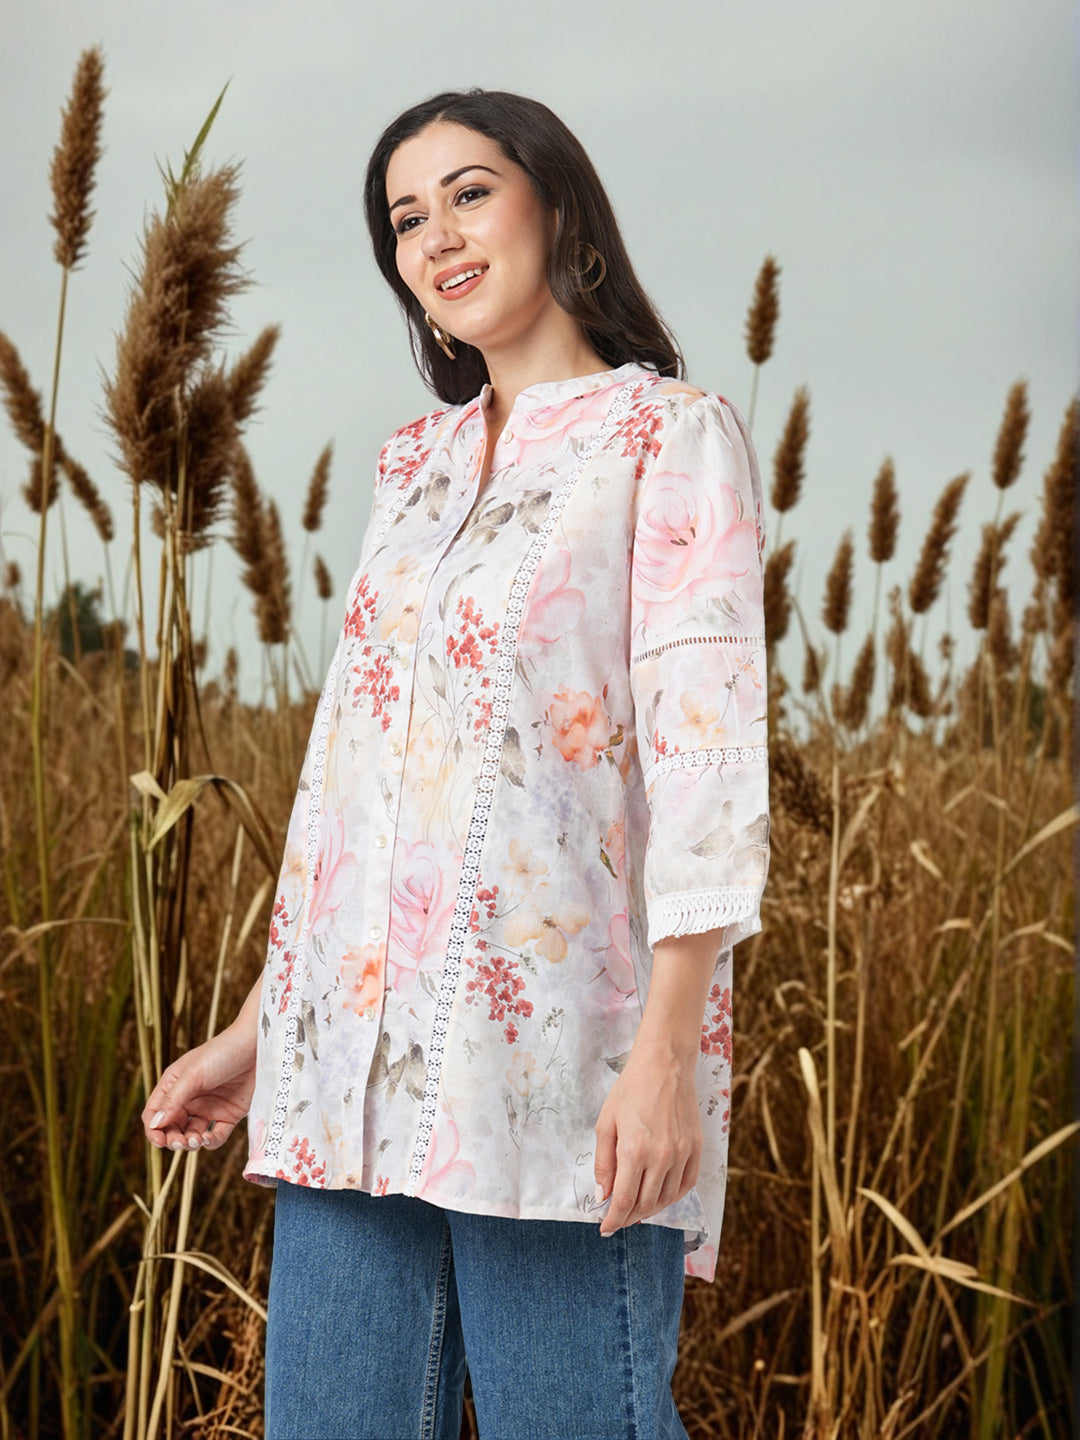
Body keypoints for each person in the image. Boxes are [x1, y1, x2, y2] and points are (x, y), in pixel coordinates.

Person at [142, 88, 770, 1440]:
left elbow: (708, 760)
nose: (435, 235)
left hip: (557, 1065)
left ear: (560, 207)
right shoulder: (412, 467)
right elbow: (354, 783)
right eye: (405, 217)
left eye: (470, 193)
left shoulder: (669, 436)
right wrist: (261, 1029)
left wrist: (667, 1056)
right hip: (346, 1076)